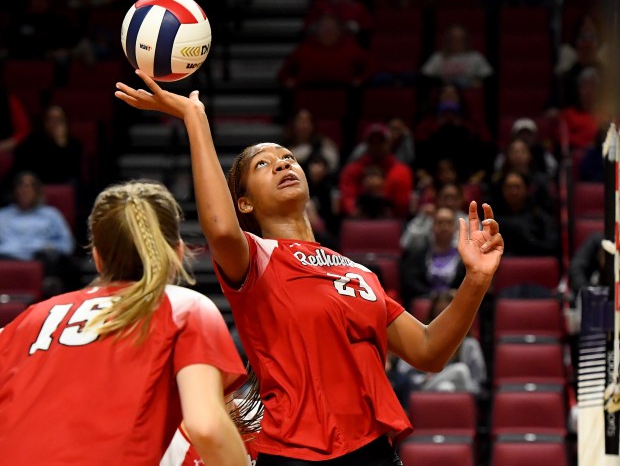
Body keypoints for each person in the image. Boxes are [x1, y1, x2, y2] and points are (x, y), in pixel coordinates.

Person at [114, 70, 504, 464]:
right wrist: (195, 118)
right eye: (264, 165)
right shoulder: (255, 256)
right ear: (244, 203)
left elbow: (427, 351)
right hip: (294, 453)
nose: (283, 165)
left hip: (373, 452)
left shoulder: (358, 273)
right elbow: (219, 229)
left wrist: (476, 279)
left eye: (288, 158)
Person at [0, 180, 248, 465]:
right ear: (178, 251)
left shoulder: (29, 318)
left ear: (96, 258)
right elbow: (207, 428)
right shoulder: (183, 306)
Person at [278, 13, 376, 88]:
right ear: (317, 30)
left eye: (332, 28)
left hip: (344, 95)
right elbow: (283, 71)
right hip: (307, 95)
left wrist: (360, 79)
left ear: (339, 31)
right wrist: (288, 80)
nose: (328, 31)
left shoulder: (351, 48)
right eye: (324, 27)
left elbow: (372, 66)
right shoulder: (304, 49)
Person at [339, 123, 413, 219]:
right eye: (372, 142)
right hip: (359, 222)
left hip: (392, 223)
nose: (377, 145)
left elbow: (401, 207)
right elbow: (349, 202)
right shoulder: (352, 170)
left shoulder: (401, 171)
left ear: (389, 143)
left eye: (381, 141)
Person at [400, 208, 466, 304]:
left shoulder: (464, 258)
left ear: (455, 228)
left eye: (449, 223)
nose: (444, 227)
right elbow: (411, 283)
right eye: (439, 222)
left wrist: (456, 293)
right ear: (432, 226)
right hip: (425, 303)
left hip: (455, 302)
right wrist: (430, 294)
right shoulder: (418, 255)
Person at [11, 104, 83, 186]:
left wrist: (61, 144)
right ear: (44, 122)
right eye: (51, 119)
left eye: (59, 119)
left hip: (62, 184)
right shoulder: (32, 142)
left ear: (65, 123)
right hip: (37, 185)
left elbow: (71, 172)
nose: (55, 123)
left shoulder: (74, 145)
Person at [421, 25, 493, 89]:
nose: (457, 42)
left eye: (461, 39)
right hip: (443, 90)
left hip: (466, 90)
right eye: (453, 39)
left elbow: (487, 76)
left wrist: (478, 82)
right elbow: (426, 75)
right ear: (448, 41)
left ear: (466, 40)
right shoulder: (438, 57)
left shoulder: (476, 57)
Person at [284, 108, 340, 173]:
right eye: (300, 121)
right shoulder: (284, 146)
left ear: (313, 125)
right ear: (293, 124)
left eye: (307, 121)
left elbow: (333, 164)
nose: (304, 126)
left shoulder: (323, 144)